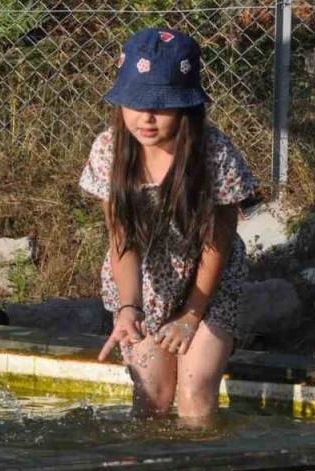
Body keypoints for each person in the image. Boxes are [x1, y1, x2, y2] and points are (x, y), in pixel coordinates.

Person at [81, 27, 256, 421]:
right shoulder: (109, 149)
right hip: (144, 281)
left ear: (186, 106)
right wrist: (129, 308)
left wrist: (192, 316)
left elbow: (218, 245)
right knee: (153, 398)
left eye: (161, 105)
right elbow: (121, 239)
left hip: (207, 282)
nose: (146, 117)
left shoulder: (216, 154)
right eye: (135, 103)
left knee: (195, 393)